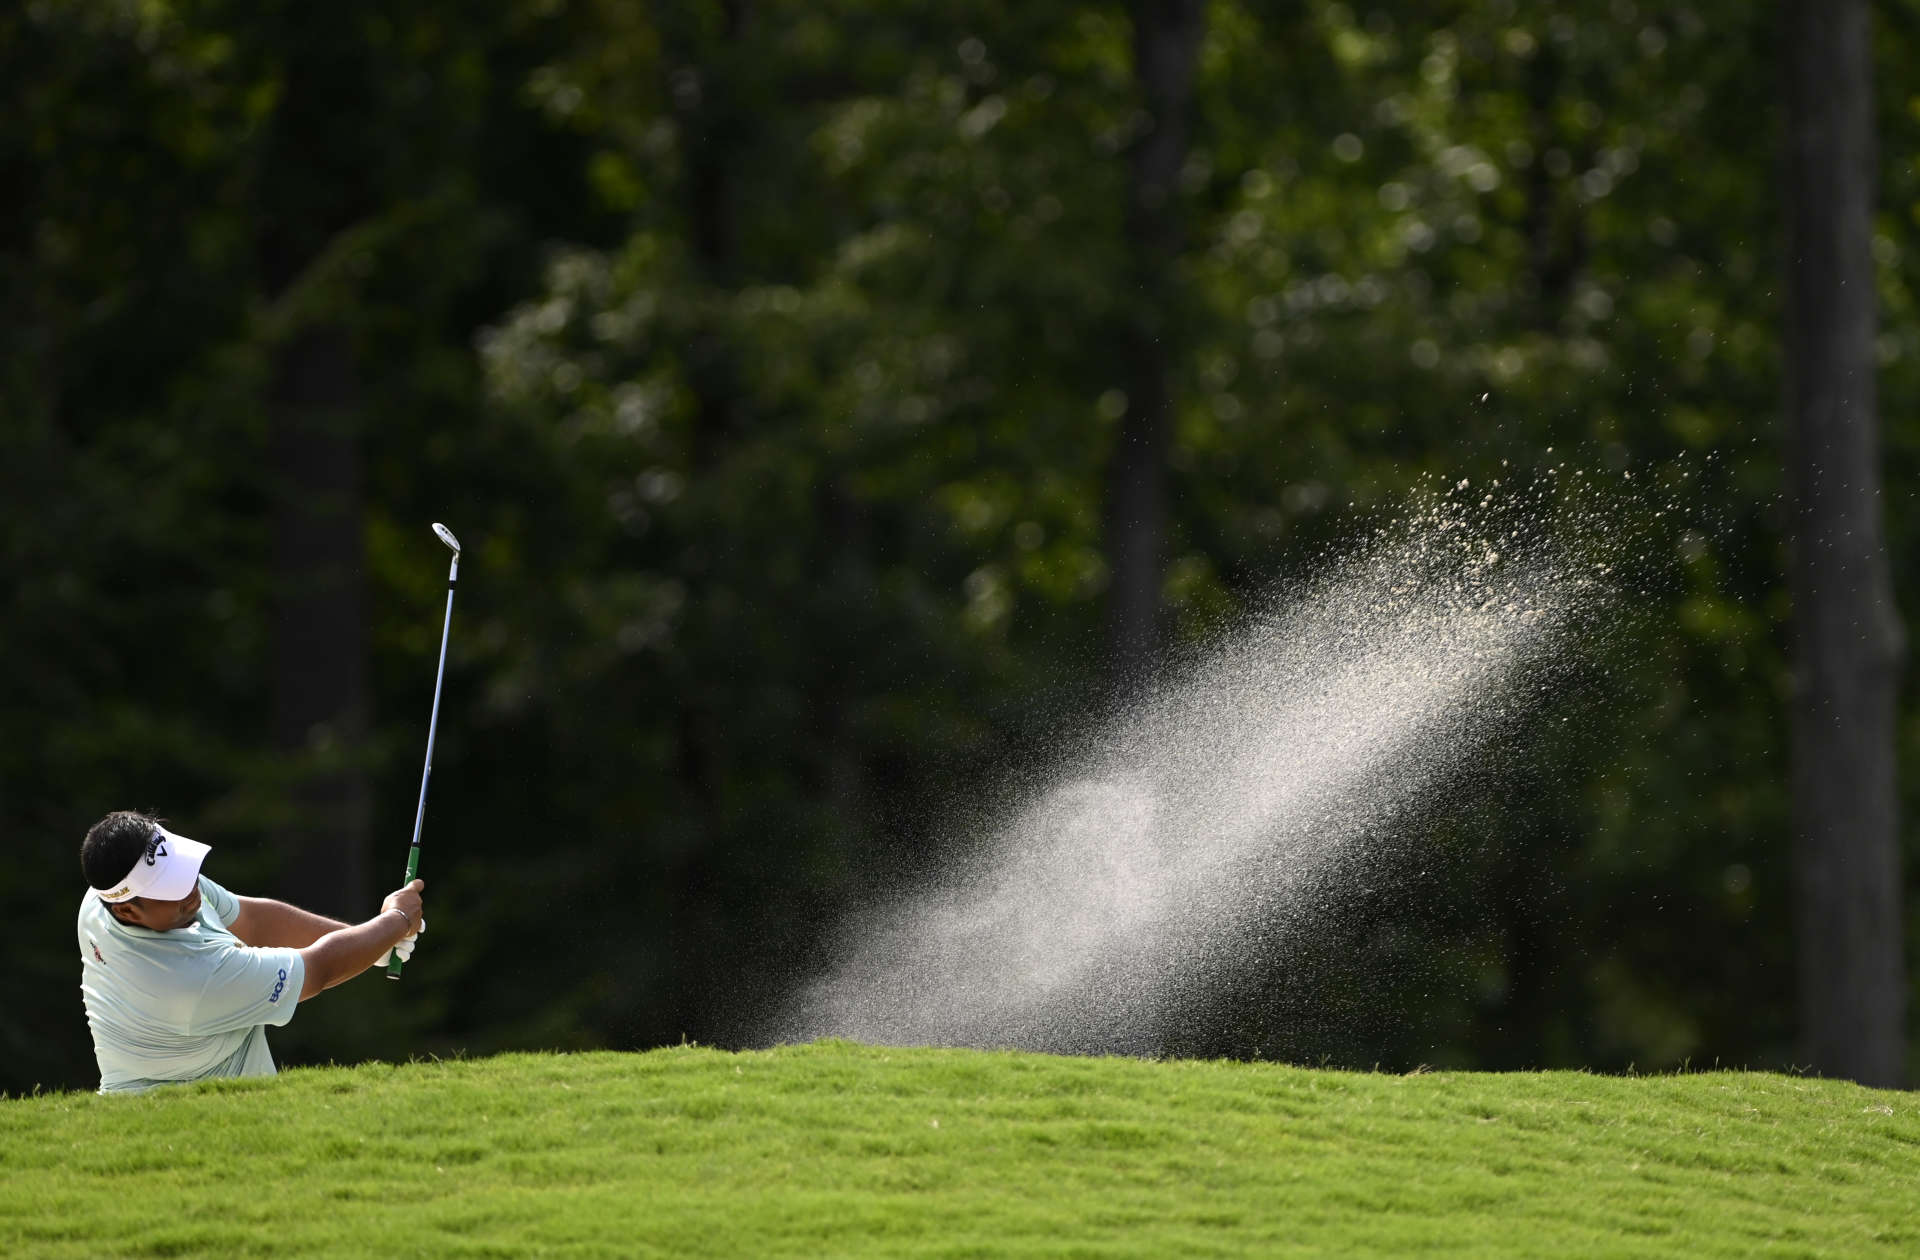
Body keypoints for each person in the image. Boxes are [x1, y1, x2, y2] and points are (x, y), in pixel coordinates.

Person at [77, 809, 427, 1094]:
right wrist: (396, 919)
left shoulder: (102, 900)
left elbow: (255, 920)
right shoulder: (193, 979)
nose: (190, 890)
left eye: (181, 870)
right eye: (170, 887)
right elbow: (318, 969)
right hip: (194, 1125)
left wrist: (372, 944)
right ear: (127, 910)